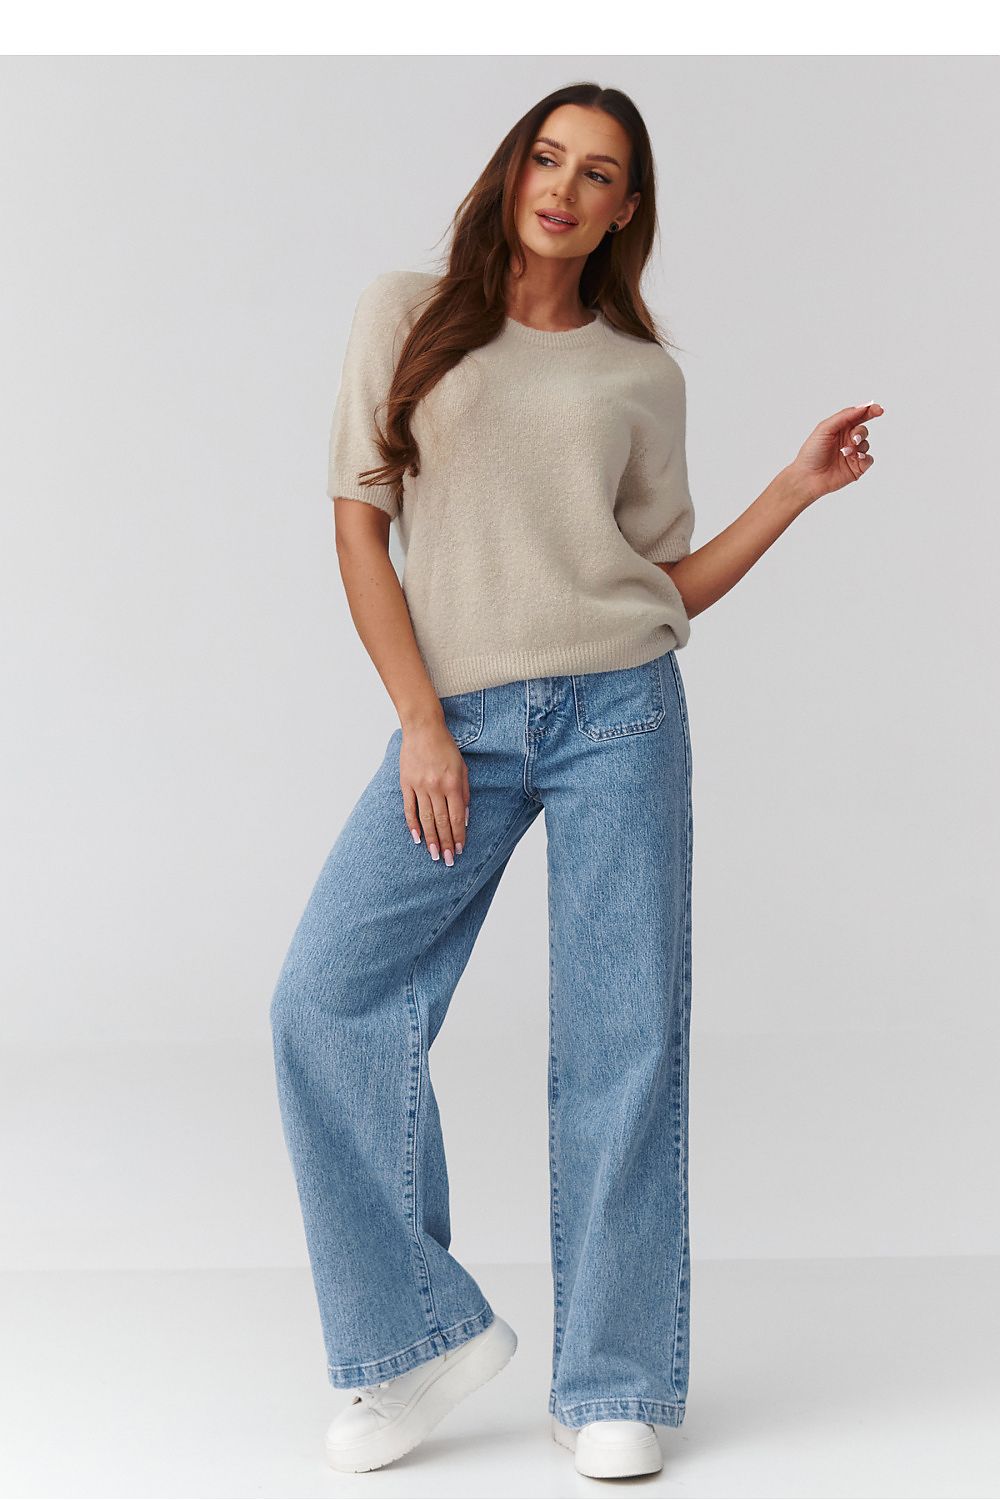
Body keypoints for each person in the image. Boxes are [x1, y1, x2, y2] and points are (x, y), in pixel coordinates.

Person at [269, 82, 882, 1481]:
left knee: (624, 1042)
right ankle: (416, 1339)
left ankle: (612, 1376)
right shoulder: (406, 316)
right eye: (547, 157)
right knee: (324, 1002)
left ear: (624, 211)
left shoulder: (638, 376)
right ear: (513, 171)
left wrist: (789, 490)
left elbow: (660, 585)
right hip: (461, 722)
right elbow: (362, 531)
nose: (563, 187)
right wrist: (421, 722)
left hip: (621, 713)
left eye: (597, 174)